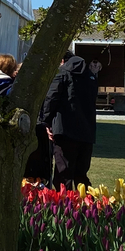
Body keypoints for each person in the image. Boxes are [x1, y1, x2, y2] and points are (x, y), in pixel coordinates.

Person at [41, 50, 101, 190]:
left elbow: (51, 98)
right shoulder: (90, 77)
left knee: (64, 174)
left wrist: (46, 121)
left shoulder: (62, 74)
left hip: (65, 130)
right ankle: (88, 208)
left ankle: (64, 206)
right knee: (81, 174)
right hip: (87, 132)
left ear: (62, 60)